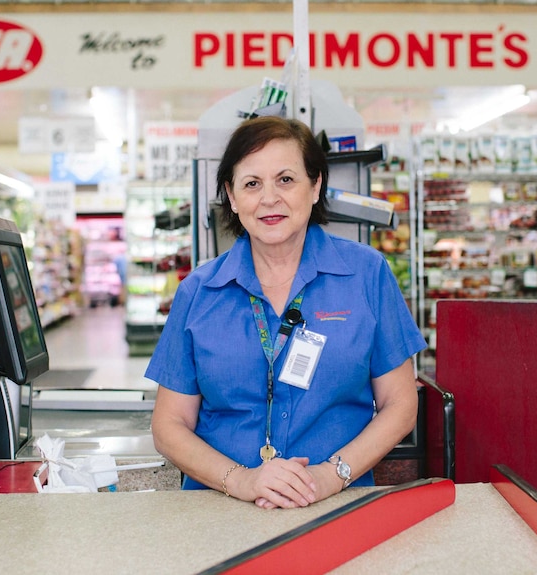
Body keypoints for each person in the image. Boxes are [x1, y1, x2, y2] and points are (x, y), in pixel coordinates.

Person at [146, 116, 426, 509]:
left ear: (316, 186)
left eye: (286, 179)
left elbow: (400, 405)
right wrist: (242, 481)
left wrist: (330, 476)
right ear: (231, 194)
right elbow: (168, 426)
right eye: (251, 183)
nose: (269, 198)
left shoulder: (367, 274)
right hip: (220, 508)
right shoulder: (199, 291)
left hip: (337, 504)